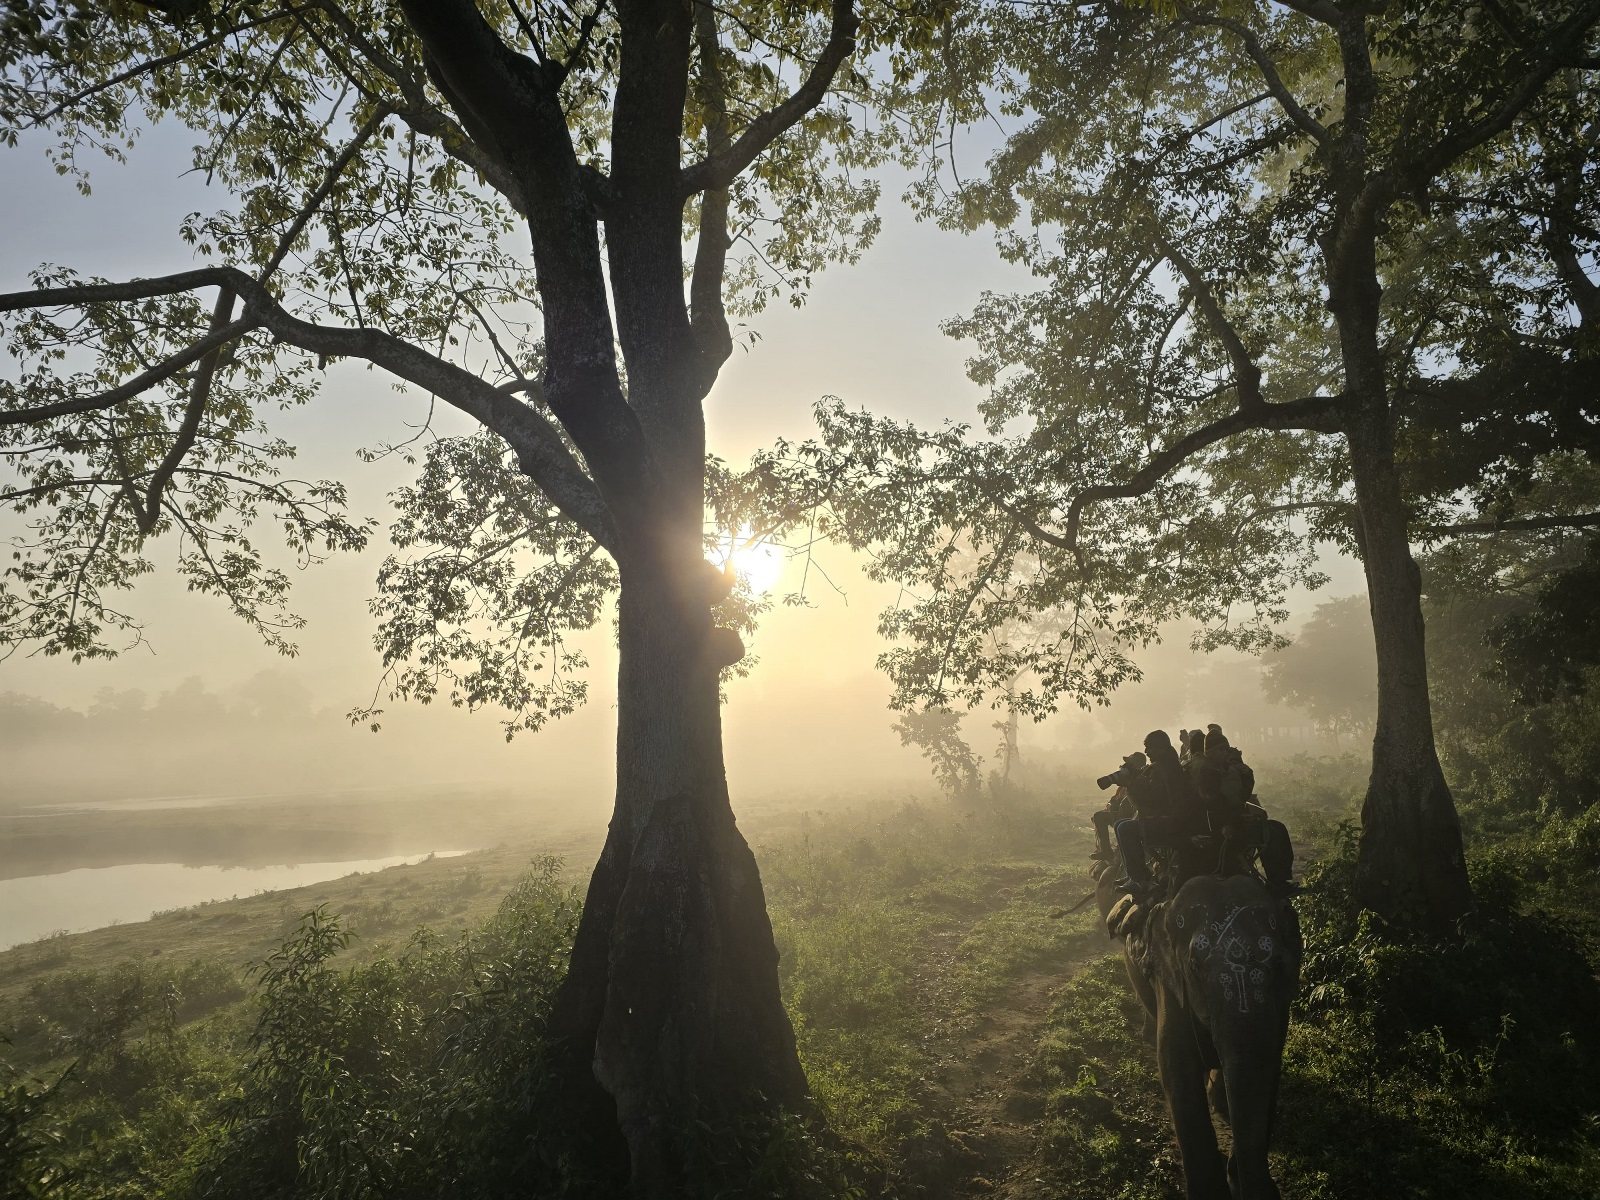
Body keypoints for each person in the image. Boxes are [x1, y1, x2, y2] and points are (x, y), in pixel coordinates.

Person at [1114, 730, 1203, 897]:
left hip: (1170, 823)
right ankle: (1134, 875)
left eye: (1149, 747)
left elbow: (1152, 801)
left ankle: (1141, 880)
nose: (1147, 752)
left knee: (1124, 828)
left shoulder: (1163, 768)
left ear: (1160, 748)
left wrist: (1131, 785)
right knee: (1121, 824)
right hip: (1172, 819)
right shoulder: (1169, 764)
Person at [1091, 752, 1144, 861]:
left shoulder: (1138, 781)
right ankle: (1105, 851)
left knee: (1100, 817)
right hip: (1121, 814)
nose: (1124, 767)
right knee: (1099, 816)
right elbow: (1115, 799)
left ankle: (1109, 852)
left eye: (1129, 765)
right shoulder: (1126, 784)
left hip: (1130, 817)